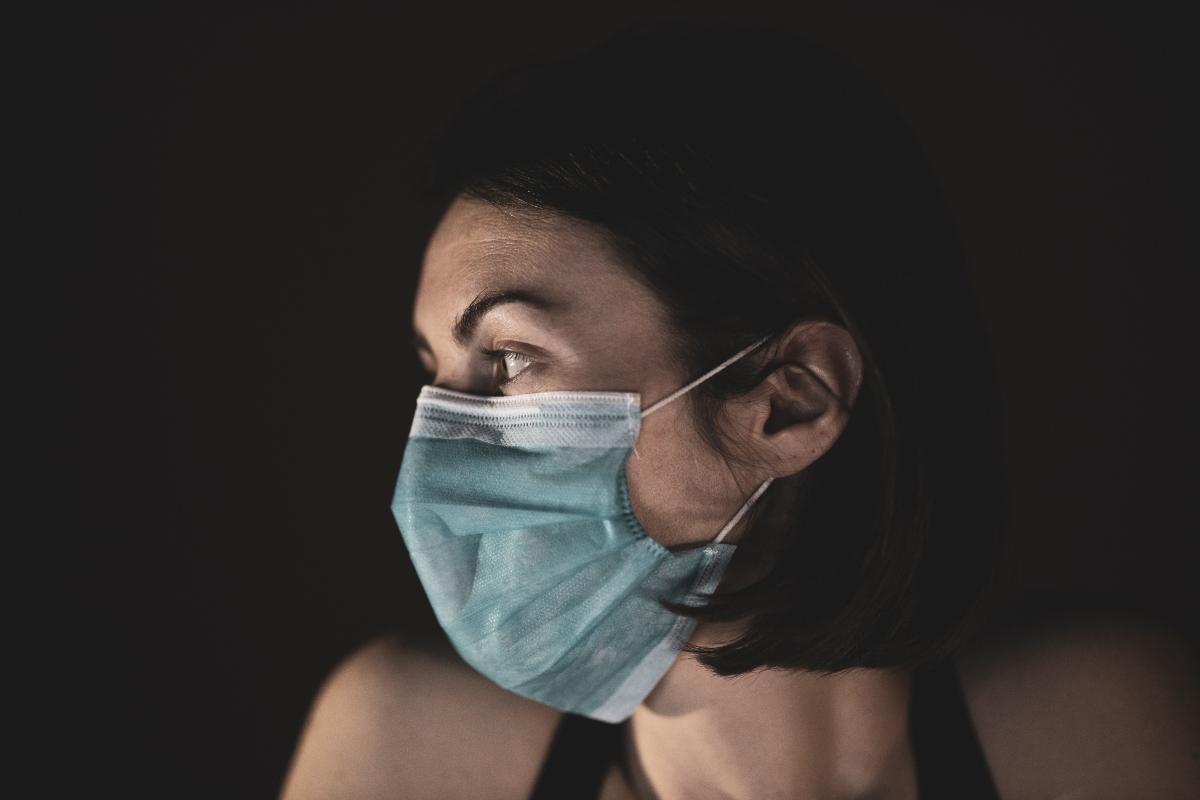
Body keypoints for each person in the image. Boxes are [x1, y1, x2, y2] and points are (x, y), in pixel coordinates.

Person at [279, 18, 1199, 799]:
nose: (437, 449)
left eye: (509, 360)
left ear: (790, 402)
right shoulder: (406, 748)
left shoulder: (1095, 728)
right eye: (435, 373)